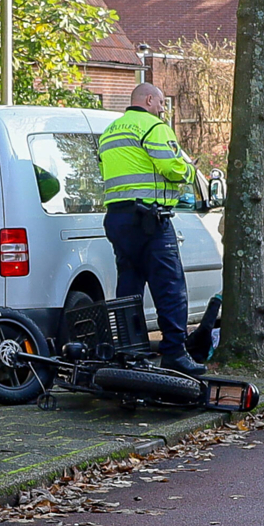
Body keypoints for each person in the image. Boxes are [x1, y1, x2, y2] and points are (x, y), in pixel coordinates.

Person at [98, 83, 205, 376]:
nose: (162, 109)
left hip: (117, 218)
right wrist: (190, 170)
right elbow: (171, 168)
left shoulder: (110, 131)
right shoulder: (153, 127)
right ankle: (174, 353)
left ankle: (131, 353)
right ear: (148, 100)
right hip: (150, 219)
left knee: (129, 288)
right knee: (170, 287)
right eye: (160, 103)